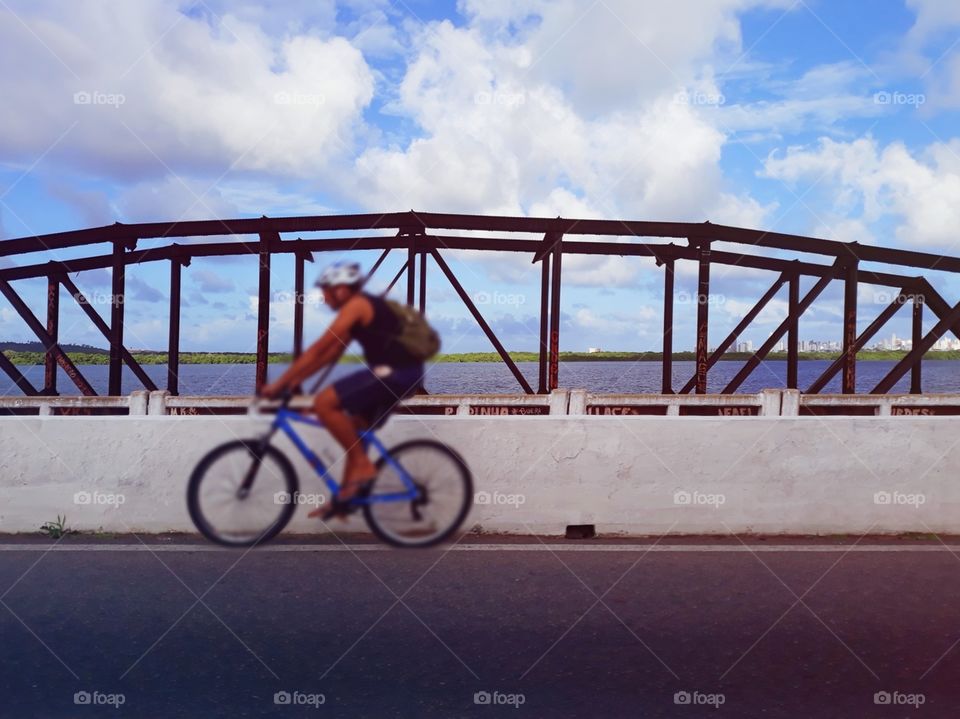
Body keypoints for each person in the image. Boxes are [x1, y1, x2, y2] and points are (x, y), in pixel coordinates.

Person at [258, 261, 426, 518]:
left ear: (341, 290)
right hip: (404, 374)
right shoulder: (361, 309)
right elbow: (331, 353)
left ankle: (363, 466)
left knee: (325, 403)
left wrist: (278, 384)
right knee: (356, 428)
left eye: (326, 290)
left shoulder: (357, 305)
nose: (324, 297)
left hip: (395, 373)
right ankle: (345, 497)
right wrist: (296, 379)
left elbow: (318, 348)